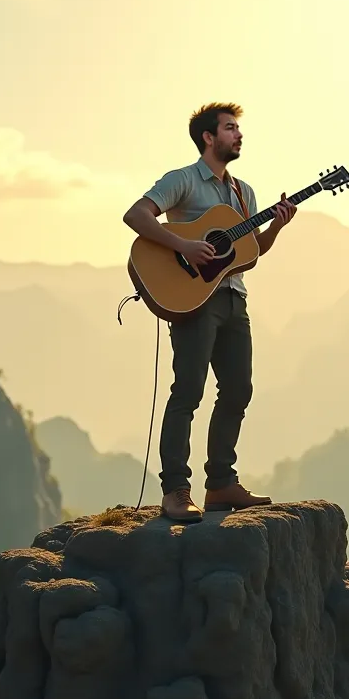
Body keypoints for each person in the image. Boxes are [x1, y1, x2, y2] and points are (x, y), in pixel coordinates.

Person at [123, 102, 297, 522]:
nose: (239, 136)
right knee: (188, 391)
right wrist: (184, 246)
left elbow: (248, 253)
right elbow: (136, 215)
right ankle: (175, 491)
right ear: (209, 137)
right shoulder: (182, 180)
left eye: (238, 129)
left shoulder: (244, 193)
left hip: (235, 298)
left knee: (238, 390)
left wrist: (275, 226)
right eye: (231, 128)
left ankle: (220, 483)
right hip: (194, 300)